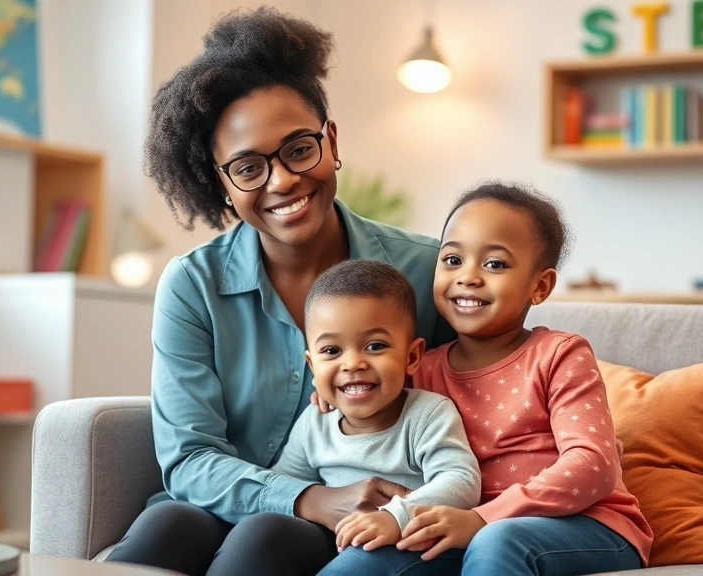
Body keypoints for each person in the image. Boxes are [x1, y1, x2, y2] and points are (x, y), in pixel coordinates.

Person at [104, 7, 453, 576]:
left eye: (298, 149)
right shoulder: (193, 285)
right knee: (166, 524)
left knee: (264, 539)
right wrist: (306, 497)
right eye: (247, 168)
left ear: (330, 141)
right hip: (220, 503)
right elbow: (189, 458)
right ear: (220, 181)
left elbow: (481, 389)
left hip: (361, 521)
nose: (283, 181)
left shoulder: (424, 270)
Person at [320, 182, 653, 576]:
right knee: (363, 559)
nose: (468, 277)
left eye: (494, 264)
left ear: (540, 286)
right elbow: (370, 411)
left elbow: (593, 464)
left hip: (588, 524)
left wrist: (484, 518)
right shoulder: (419, 370)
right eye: (452, 259)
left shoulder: (560, 354)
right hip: (462, 526)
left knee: (498, 540)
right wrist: (336, 393)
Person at [273, 260, 480, 559]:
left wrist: (396, 517)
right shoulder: (314, 422)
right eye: (331, 351)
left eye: (374, 346)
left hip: (406, 547)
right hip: (333, 542)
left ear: (411, 357)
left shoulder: (428, 414)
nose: (352, 364)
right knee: (262, 533)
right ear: (312, 365)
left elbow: (461, 481)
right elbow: (285, 484)